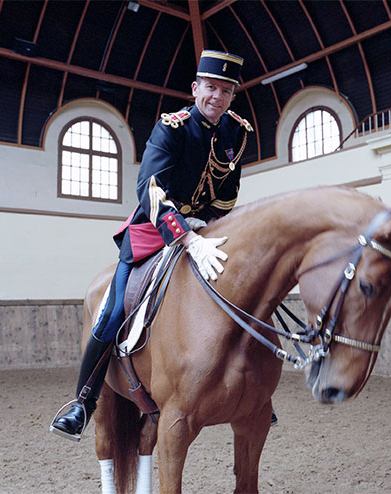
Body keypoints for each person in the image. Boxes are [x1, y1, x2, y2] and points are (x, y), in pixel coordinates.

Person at [50, 50, 254, 441]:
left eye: (226, 91)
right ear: (196, 88)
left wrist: (210, 233)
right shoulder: (171, 128)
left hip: (204, 233)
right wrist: (186, 235)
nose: (217, 96)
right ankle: (83, 403)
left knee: (243, 286)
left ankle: (254, 389)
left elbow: (227, 196)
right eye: (211, 87)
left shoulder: (238, 133)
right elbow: (151, 190)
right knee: (111, 314)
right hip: (153, 231)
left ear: (232, 96)